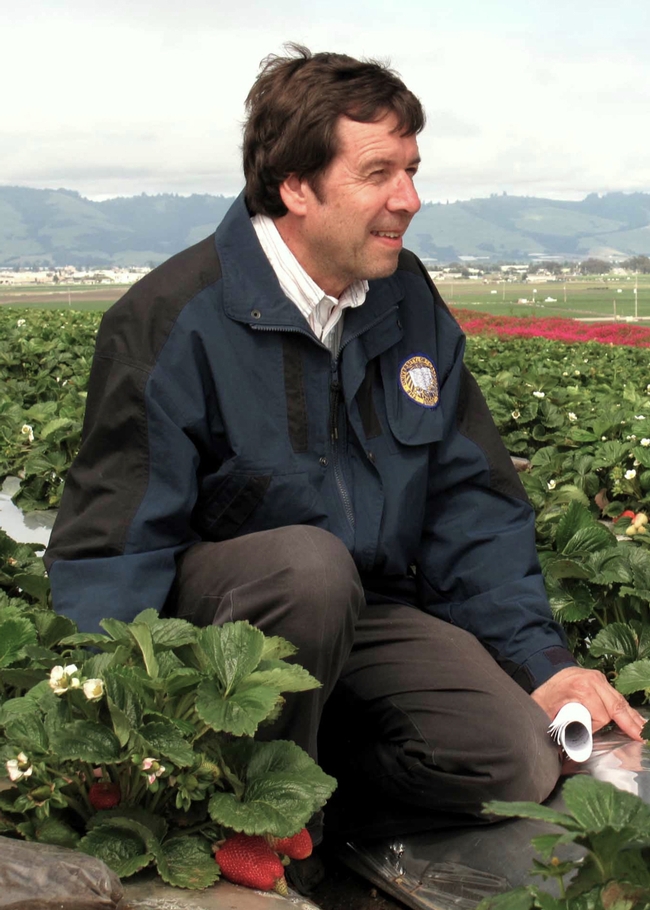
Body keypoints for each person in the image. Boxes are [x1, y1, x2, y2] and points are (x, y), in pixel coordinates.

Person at [45, 44, 645, 892]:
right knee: (309, 569)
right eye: (379, 173)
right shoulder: (172, 319)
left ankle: (299, 807)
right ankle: (238, 826)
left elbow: (469, 507)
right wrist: (113, 743)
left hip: (369, 616)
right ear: (296, 185)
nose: (410, 198)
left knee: (512, 760)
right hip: (223, 640)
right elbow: (115, 547)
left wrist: (541, 665)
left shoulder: (405, 302)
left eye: (412, 169)